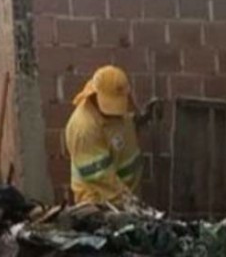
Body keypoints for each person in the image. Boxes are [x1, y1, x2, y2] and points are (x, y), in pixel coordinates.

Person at [65, 65, 160, 205]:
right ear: (95, 94)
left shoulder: (116, 113)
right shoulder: (84, 128)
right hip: (98, 200)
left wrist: (141, 119)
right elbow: (100, 176)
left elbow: (120, 126)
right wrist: (127, 200)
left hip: (125, 194)